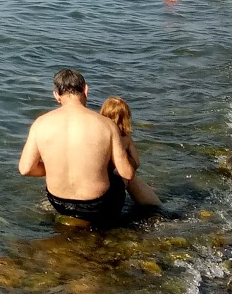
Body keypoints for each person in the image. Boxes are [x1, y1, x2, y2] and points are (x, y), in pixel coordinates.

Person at [18, 69, 136, 225]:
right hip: (97, 206)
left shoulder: (40, 123)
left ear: (56, 95)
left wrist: (54, 168)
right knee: (120, 178)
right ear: (85, 90)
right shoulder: (106, 125)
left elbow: (25, 169)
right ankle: (155, 210)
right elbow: (127, 173)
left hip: (58, 202)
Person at [99, 97, 161, 208]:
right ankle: (156, 206)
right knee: (128, 177)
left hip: (95, 179)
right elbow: (136, 163)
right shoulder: (125, 138)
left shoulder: (96, 133)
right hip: (110, 184)